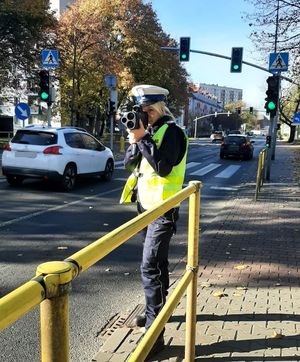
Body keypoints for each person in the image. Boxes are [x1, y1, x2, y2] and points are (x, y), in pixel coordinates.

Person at [120, 84, 188, 357]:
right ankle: (157, 314)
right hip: (145, 209)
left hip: (163, 211)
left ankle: (154, 334)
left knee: (149, 267)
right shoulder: (146, 132)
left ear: (157, 109)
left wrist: (143, 138)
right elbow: (128, 164)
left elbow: (163, 167)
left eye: (145, 111)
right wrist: (136, 139)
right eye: (139, 111)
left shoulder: (173, 132)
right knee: (157, 265)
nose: (141, 115)